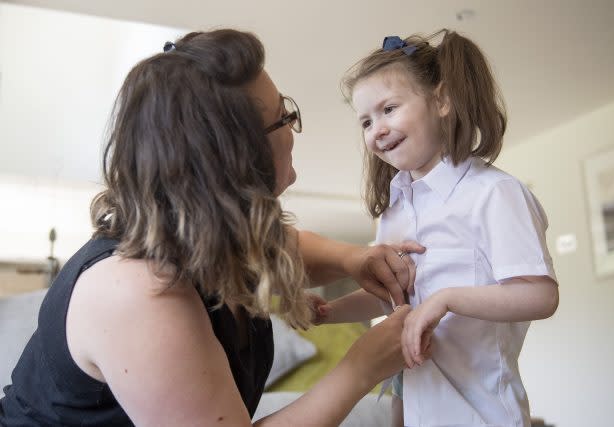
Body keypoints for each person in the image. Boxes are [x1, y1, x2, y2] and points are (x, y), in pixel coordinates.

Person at [0, 29, 429, 426]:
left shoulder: (197, 230)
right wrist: (360, 368)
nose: (294, 131)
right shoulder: (137, 293)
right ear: (235, 154)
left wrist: (353, 258)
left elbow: (285, 247)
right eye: (284, 117)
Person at [314, 30, 559, 427]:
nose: (376, 130)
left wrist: (445, 299)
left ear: (441, 100)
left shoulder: (494, 193)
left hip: (482, 416)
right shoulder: (394, 210)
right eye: (365, 120)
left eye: (389, 108)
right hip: (413, 410)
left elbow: (541, 296)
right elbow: (391, 295)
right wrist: (328, 312)